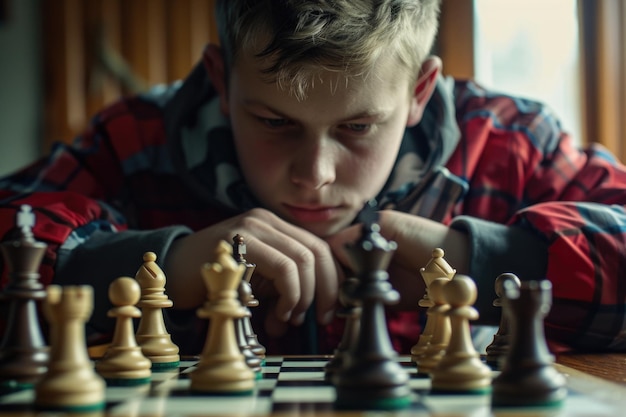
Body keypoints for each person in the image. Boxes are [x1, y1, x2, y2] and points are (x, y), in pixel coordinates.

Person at [1, 0, 625, 355]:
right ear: (221, 83)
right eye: (274, 121)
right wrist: (158, 267)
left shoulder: (509, 143)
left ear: (419, 91)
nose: (315, 175)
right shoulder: (134, 142)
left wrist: (480, 258)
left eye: (357, 128)